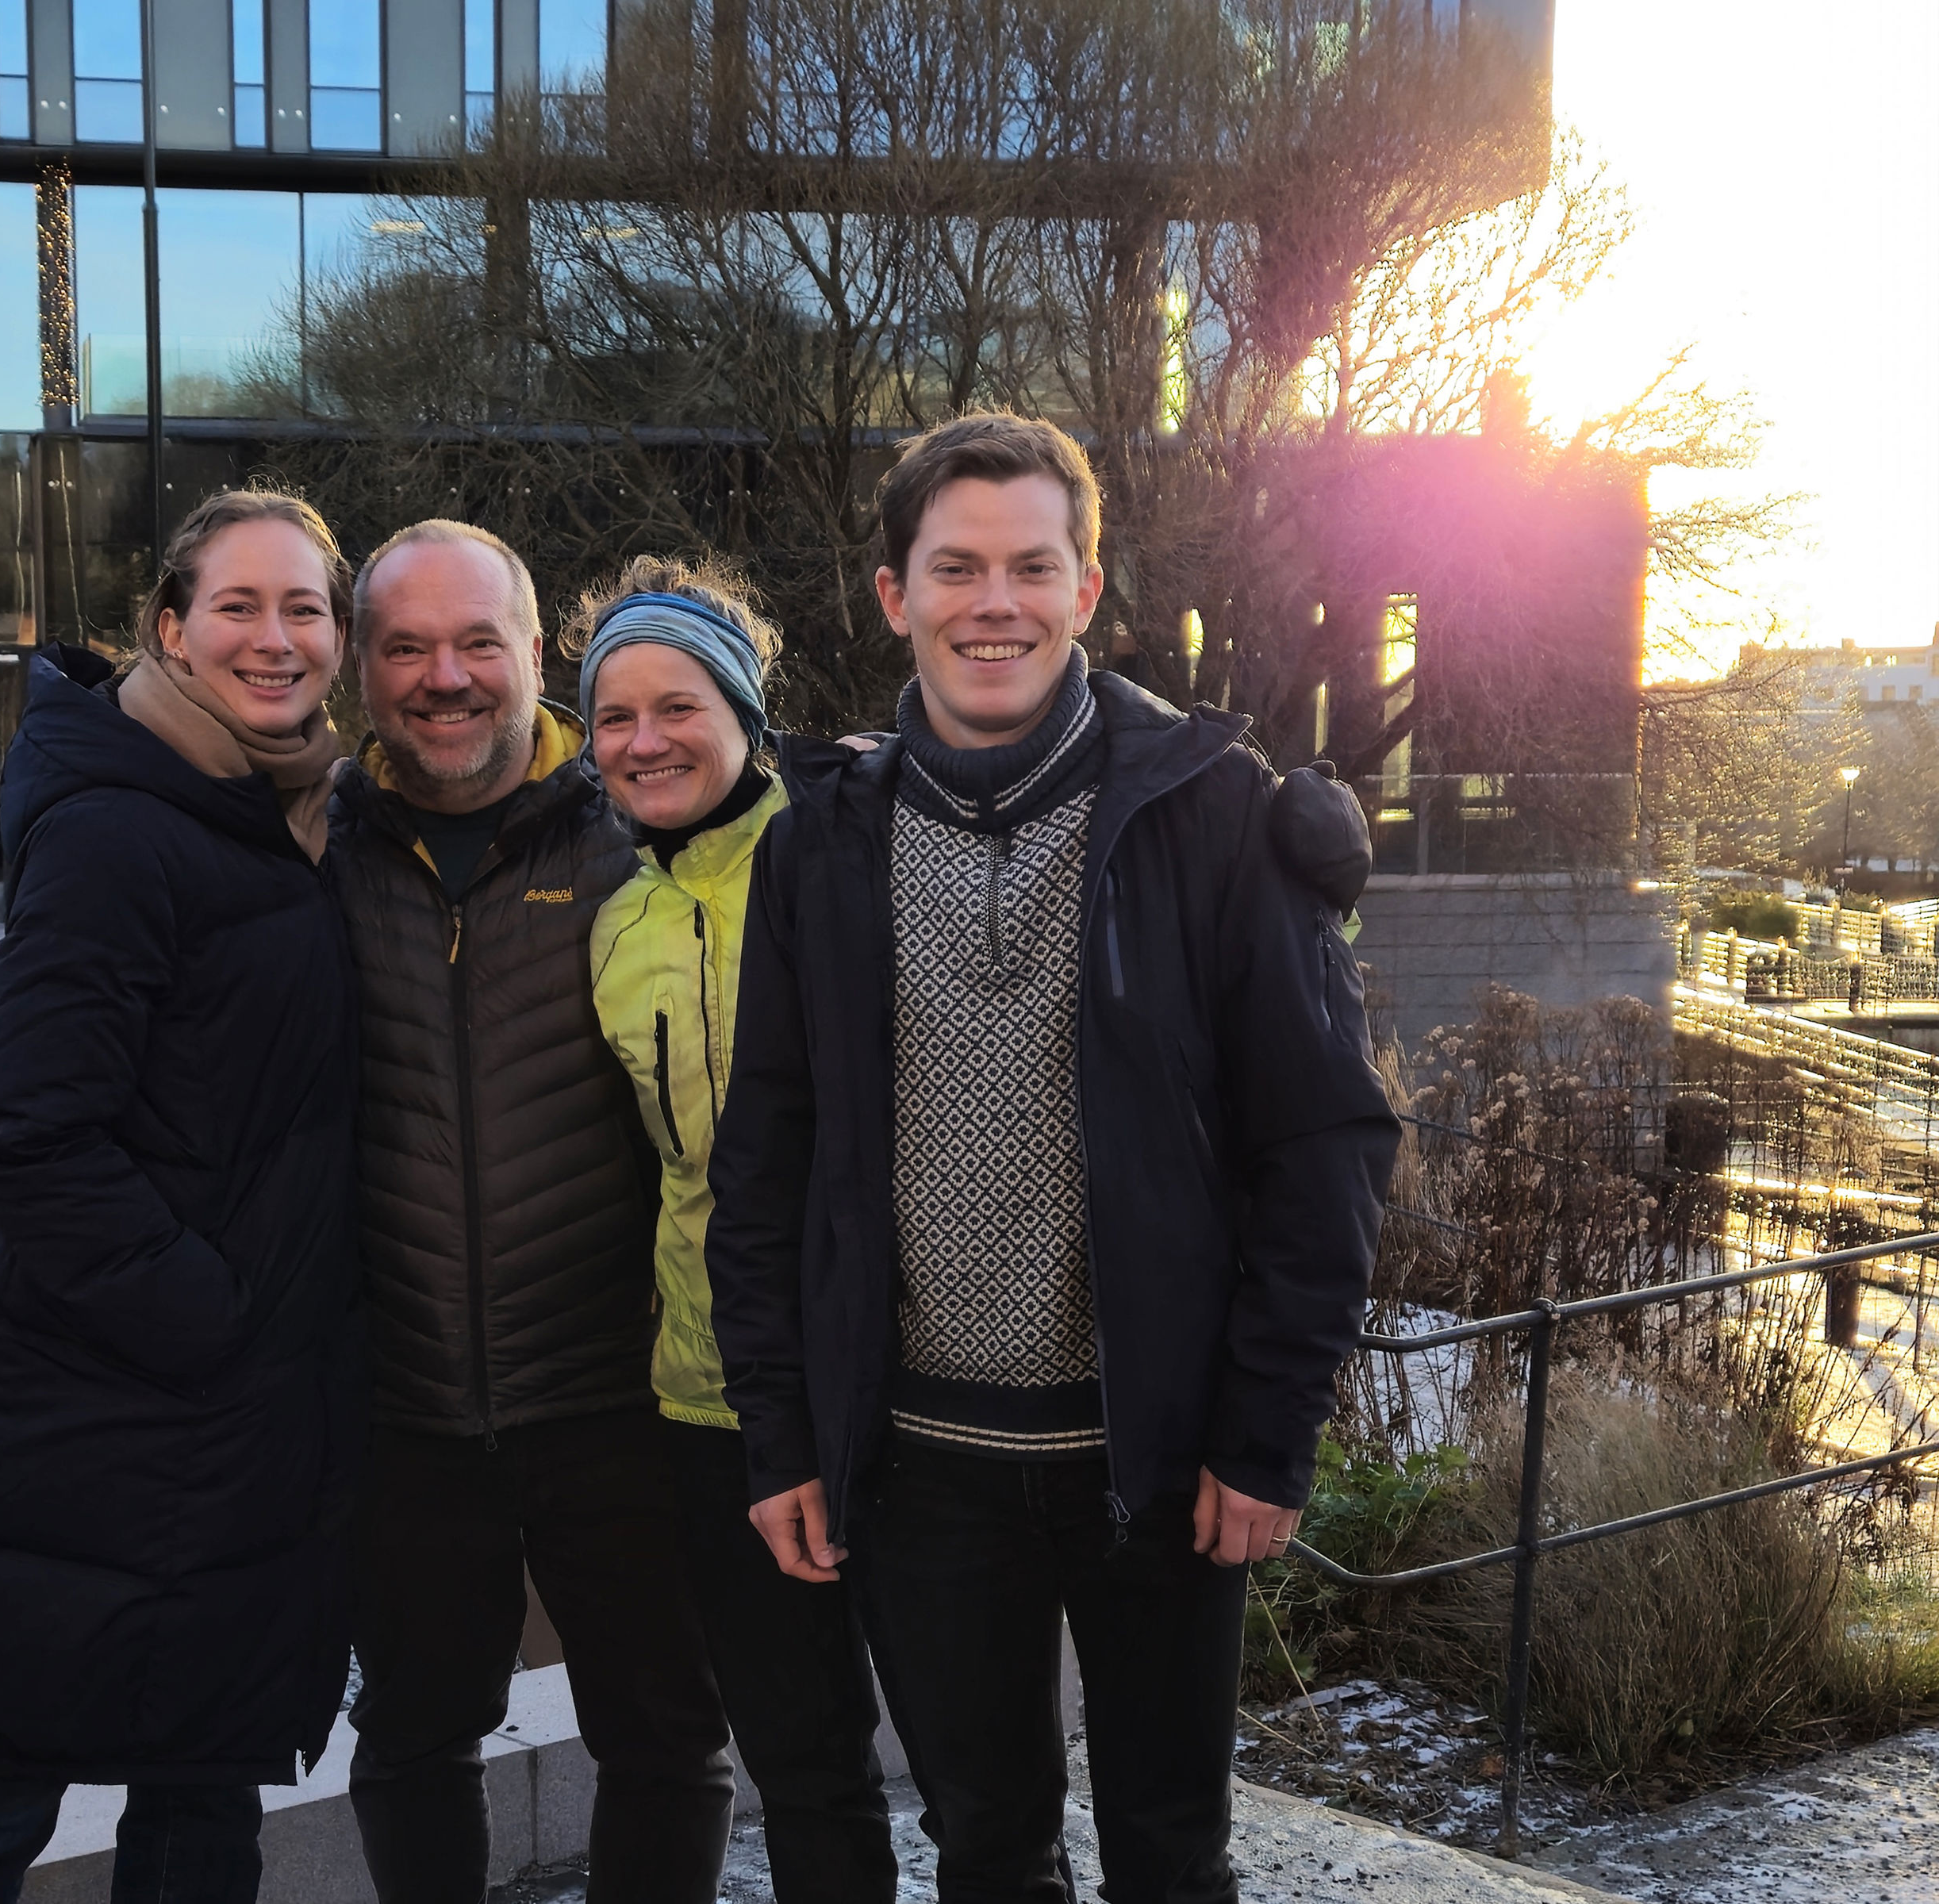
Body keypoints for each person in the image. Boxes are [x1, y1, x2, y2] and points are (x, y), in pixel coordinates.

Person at [705, 414, 1402, 1904]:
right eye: (955, 568)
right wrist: (784, 1438)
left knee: (1169, 1855)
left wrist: (1267, 1430)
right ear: (893, 594)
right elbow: (764, 1159)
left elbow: (1325, 1138)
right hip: (920, 1475)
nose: (994, 602)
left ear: (1089, 591)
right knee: (988, 1850)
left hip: (1157, 1464)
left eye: (1033, 565)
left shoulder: (1213, 812)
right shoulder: (819, 840)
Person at [0, 490, 367, 1904]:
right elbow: (34, 1137)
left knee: (203, 1800)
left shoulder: (286, 815)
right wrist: (214, 1316)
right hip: (94, 1423)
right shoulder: (115, 828)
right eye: (239, 607)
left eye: (305, 610)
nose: (275, 640)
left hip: (235, 1437)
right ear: (169, 627)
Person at [328, 521, 735, 1904]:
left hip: (615, 1400)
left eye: (476, 643)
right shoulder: (316, 852)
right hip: (409, 1410)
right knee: (410, 1741)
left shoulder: (637, 838)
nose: (445, 677)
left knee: (667, 1741)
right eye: (406, 647)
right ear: (363, 670)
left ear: (536, 656)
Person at [578, 555, 899, 1904]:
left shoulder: (857, 848)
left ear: (749, 716)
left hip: (900, 1388)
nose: (645, 740)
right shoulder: (618, 922)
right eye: (612, 716)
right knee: (801, 1754)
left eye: (679, 705)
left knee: (973, 1766)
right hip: (717, 1407)